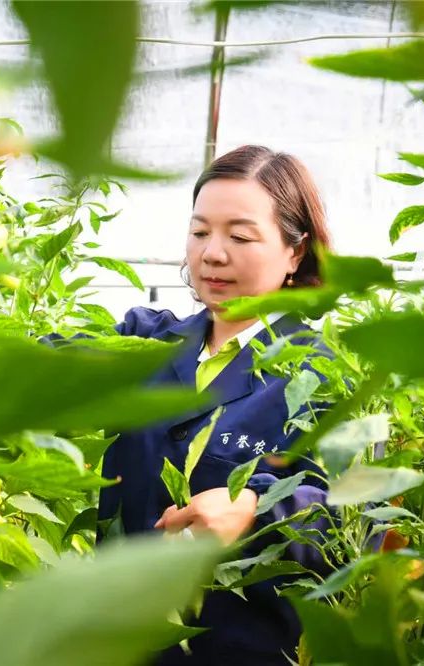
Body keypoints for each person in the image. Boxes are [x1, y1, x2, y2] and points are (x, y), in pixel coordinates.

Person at [99, 145, 337, 666]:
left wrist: (258, 508)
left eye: (241, 236)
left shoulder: (323, 377)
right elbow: (43, 360)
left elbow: (352, 518)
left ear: (295, 252)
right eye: (201, 231)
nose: (212, 253)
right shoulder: (146, 343)